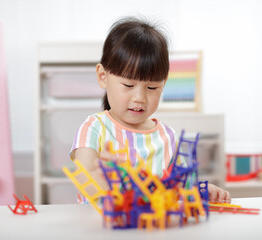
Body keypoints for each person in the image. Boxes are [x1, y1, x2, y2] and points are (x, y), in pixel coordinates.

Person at [70, 17, 230, 203]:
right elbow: (85, 179)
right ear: (103, 76)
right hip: (102, 228)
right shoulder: (93, 128)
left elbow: (181, 186)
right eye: (128, 85)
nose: (140, 97)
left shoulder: (167, 136)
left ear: (163, 84)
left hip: (153, 228)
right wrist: (104, 179)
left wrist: (201, 190)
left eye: (152, 88)